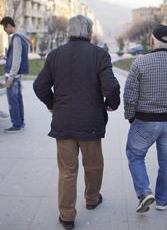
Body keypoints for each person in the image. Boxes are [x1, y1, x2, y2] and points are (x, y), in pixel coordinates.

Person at [33, 14, 120, 230]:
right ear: (89, 32)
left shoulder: (54, 55)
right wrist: (112, 103)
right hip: (91, 121)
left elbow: (39, 86)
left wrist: (52, 103)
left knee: (67, 170)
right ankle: (91, 199)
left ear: (69, 32)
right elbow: (111, 85)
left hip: (63, 123)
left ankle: (67, 216)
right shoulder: (100, 55)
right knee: (93, 166)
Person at [124, 25, 167, 213]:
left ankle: (145, 192)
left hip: (144, 121)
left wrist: (131, 117)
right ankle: (162, 200)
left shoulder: (140, 64)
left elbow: (130, 96)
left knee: (135, 155)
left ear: (152, 41)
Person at [0, 17, 29, 132]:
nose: (5, 30)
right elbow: (16, 57)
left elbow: (17, 60)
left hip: (13, 75)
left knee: (12, 101)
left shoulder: (16, 38)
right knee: (17, 99)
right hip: (17, 75)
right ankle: (20, 123)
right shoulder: (21, 36)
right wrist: (6, 57)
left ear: (8, 25)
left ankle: (17, 124)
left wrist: (10, 77)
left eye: (4, 28)